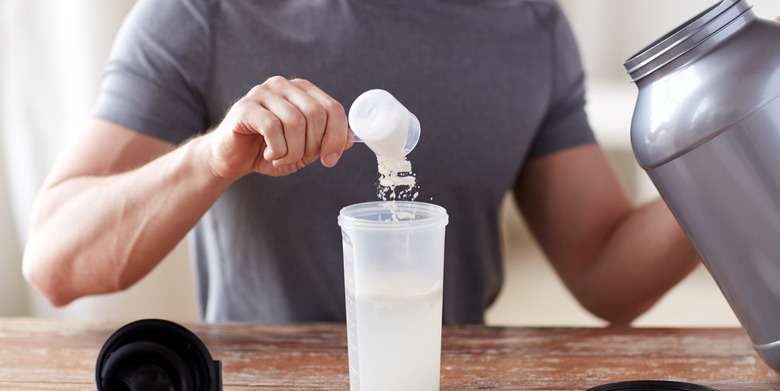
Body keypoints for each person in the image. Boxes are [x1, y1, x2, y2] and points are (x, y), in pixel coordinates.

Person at [22, 0, 700, 326]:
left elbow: (605, 269)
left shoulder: (528, 25)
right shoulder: (204, 17)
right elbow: (54, 261)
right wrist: (213, 156)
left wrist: (727, 169)